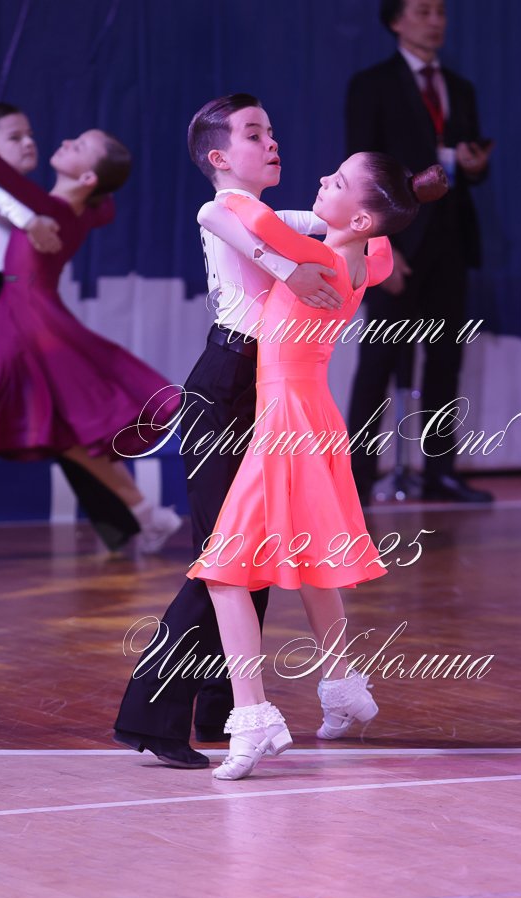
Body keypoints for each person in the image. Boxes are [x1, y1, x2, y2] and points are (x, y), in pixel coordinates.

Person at [187, 153, 447, 780]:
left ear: (358, 217)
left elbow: (236, 211)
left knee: (225, 570)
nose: (323, 179)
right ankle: (343, 687)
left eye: (338, 181)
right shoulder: (366, 262)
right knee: (310, 563)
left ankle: (253, 718)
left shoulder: (319, 260)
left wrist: (235, 188)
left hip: (287, 420)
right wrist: (400, 197)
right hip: (315, 415)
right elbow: (380, 243)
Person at [113, 93, 345, 768]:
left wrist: (392, 195)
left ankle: (220, 708)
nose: (272, 143)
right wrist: (291, 268)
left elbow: (335, 221)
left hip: (263, 387)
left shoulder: (269, 215)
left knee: (258, 553)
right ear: (219, 156)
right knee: (223, 558)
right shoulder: (222, 208)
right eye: (254, 134)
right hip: (223, 385)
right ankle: (151, 718)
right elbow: (235, 227)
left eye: (272, 132)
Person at [0, 125, 182, 552]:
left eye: (80, 146)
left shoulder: (49, 207)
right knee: (69, 433)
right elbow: (105, 208)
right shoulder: (85, 212)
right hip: (37, 316)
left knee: (59, 424)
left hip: (24, 320)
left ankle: (148, 515)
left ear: (88, 176)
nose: (66, 141)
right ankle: (148, 514)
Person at [345, 0, 494, 504]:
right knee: (378, 361)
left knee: (446, 359)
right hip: (398, 245)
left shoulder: (461, 88)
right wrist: (378, 246)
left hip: (451, 243)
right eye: (424, 12)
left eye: (441, 13)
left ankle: (439, 473)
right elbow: (360, 174)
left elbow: (468, 166)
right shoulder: (372, 84)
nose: (436, 22)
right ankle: (357, 478)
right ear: (395, 21)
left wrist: (474, 165)